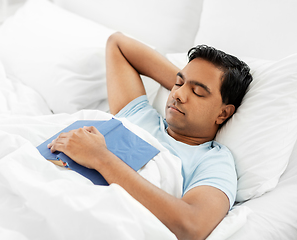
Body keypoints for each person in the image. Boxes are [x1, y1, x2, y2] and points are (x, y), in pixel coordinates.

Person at [48, 32, 253, 240]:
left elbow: (191, 226)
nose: (177, 95)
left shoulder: (215, 161)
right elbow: (117, 43)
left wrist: (100, 158)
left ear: (223, 113)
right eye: (178, 83)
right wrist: (188, 84)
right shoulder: (140, 114)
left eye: (198, 92)